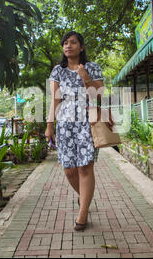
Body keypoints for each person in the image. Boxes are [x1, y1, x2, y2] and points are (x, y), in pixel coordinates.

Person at [45, 31, 112, 231]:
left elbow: (99, 96)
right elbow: (55, 100)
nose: (68, 46)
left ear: (81, 47)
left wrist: (87, 79)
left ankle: (83, 213)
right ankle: (84, 199)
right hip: (65, 123)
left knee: (85, 167)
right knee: (69, 169)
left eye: (73, 42)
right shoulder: (58, 71)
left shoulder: (92, 67)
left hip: (87, 120)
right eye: (65, 43)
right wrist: (49, 125)